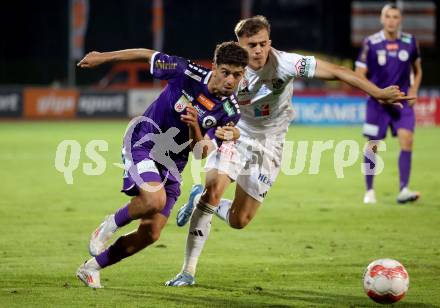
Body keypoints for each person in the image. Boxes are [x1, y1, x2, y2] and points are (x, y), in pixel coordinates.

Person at [165, 15, 414, 286]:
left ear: (269, 42)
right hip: (236, 133)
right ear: (240, 45)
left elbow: (337, 71)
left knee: (240, 220)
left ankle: (198, 199)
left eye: (262, 44)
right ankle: (187, 271)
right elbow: (208, 99)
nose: (258, 50)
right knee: (213, 190)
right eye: (251, 45)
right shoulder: (232, 71)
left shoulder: (286, 63)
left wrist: (376, 92)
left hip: (270, 143)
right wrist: (210, 131)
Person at [75, 41, 248, 288]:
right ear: (216, 67)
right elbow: (146, 54)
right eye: (226, 72)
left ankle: (91, 267)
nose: (231, 80)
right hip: (143, 141)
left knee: (151, 233)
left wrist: (194, 126)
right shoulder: (185, 71)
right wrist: (104, 57)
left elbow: (200, 152)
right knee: (153, 201)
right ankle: (108, 225)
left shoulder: (229, 111)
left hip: (173, 162)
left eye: (238, 75)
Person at [355, 4, 422, 204]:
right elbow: (359, 74)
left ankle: (403, 189)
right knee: (372, 146)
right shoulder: (370, 43)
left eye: (395, 16)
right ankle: (369, 191)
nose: (391, 20)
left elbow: (417, 70)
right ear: (381, 19)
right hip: (376, 104)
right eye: (388, 16)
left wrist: (414, 89)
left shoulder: (410, 42)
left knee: (407, 139)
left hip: (401, 102)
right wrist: (376, 93)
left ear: (400, 19)